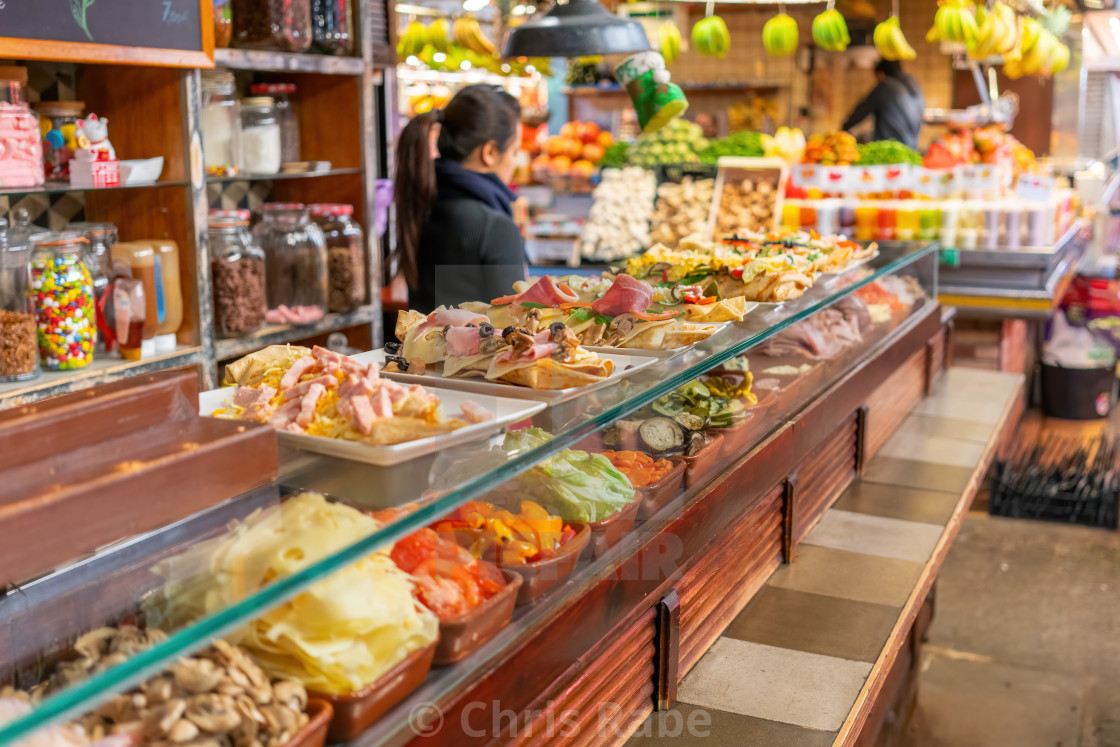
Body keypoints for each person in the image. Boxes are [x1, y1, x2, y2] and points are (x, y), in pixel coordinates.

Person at [395, 85, 527, 313]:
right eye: (514, 152)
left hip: (421, 348)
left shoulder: (423, 205)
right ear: (490, 153)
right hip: (481, 350)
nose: (515, 163)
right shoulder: (494, 227)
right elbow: (514, 326)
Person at [841, 59, 925, 150]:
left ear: (881, 74)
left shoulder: (885, 87)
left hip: (890, 148)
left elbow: (862, 111)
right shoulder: (913, 84)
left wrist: (843, 129)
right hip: (912, 146)